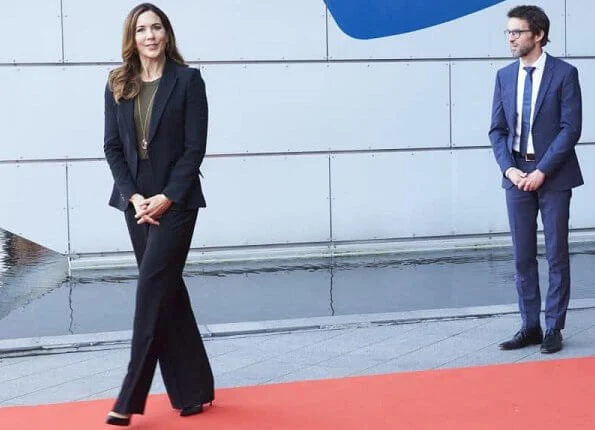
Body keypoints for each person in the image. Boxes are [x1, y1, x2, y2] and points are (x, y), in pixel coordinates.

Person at [103, 3, 214, 425]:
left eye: (156, 27)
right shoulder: (117, 83)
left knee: (151, 287)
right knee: (168, 289)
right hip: (135, 203)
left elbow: (194, 148)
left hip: (177, 200)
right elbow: (112, 146)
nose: (150, 35)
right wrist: (133, 197)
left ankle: (129, 396)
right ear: (132, 38)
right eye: (141, 29)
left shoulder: (188, 81)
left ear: (167, 34)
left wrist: (167, 196)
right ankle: (193, 389)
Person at [489, 5, 583, 354]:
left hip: (554, 177)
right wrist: (509, 170)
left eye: (517, 32)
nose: (510, 38)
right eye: (508, 32)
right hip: (515, 177)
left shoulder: (564, 74)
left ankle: (552, 327)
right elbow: (497, 131)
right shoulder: (503, 76)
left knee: (557, 254)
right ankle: (529, 325)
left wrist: (542, 170)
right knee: (522, 256)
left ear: (538, 35)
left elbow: (570, 129)